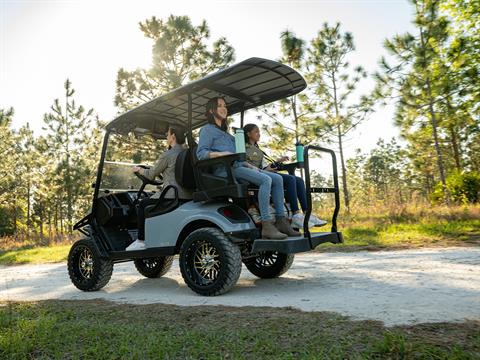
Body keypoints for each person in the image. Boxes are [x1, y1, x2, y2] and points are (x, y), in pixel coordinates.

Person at [196, 97, 300, 239]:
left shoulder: (227, 134)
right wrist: (222, 154)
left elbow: (239, 158)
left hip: (239, 167)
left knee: (277, 179)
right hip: (225, 171)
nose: (224, 108)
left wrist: (253, 167)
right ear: (211, 110)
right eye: (219, 106)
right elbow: (201, 154)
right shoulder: (207, 130)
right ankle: (267, 225)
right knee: (265, 180)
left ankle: (282, 221)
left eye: (225, 105)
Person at [243, 123, 327, 229]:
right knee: (291, 179)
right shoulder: (244, 149)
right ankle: (296, 214)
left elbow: (265, 166)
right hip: (255, 175)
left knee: (299, 180)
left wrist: (277, 161)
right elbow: (246, 165)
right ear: (248, 134)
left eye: (259, 131)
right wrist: (264, 170)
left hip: (265, 173)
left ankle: (307, 213)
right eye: (256, 131)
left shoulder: (258, 150)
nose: (259, 134)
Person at [126, 125, 192, 251]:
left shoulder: (168, 154)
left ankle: (141, 240)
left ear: (173, 136)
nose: (166, 137)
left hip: (172, 195)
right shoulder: (188, 152)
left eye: (167, 134)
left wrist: (139, 170)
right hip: (188, 195)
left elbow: (150, 174)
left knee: (142, 205)